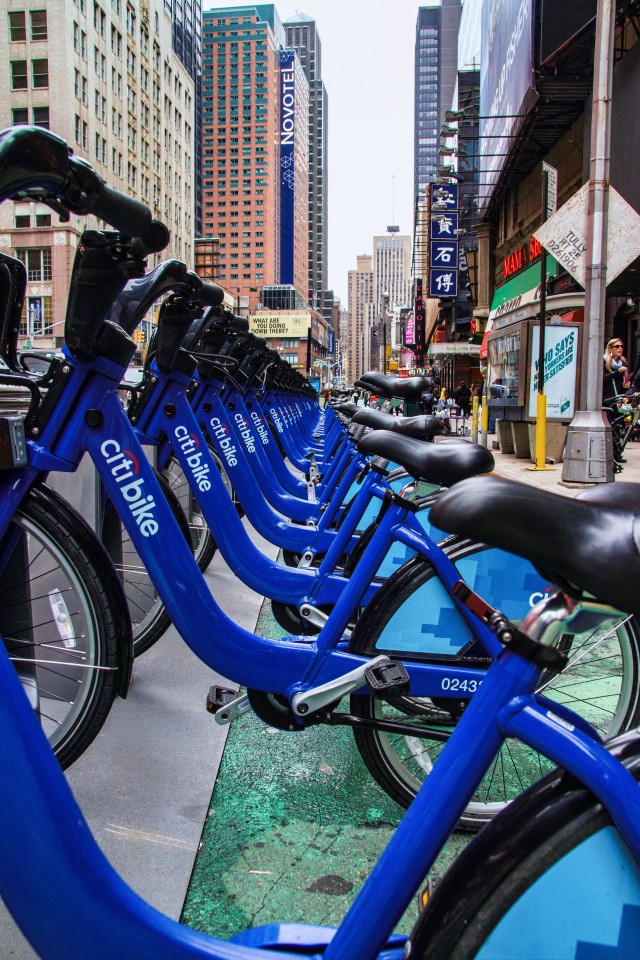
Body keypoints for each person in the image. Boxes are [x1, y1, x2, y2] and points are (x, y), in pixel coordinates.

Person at [603, 338, 629, 403]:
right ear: (610, 349)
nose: (620, 348)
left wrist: (626, 385)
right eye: (617, 346)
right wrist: (618, 372)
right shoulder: (604, 361)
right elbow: (603, 378)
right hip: (607, 398)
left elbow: (623, 380)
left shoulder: (623, 362)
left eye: (621, 346)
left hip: (620, 398)